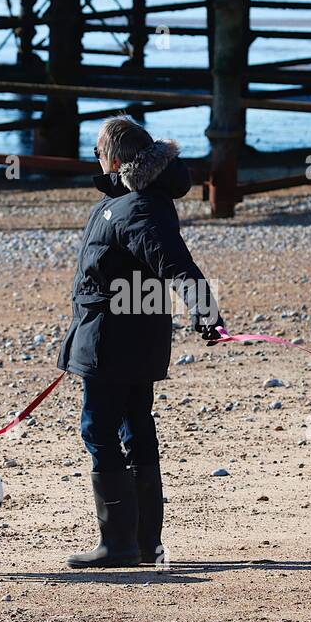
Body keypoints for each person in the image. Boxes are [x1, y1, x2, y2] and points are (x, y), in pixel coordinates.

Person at [57, 117, 224, 568]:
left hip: (115, 342)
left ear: (113, 160)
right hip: (133, 338)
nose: (95, 159)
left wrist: (206, 313)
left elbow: (177, 265)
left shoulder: (135, 208)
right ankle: (145, 542)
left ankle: (121, 543)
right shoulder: (134, 203)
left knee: (99, 430)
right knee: (135, 427)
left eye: (97, 152)